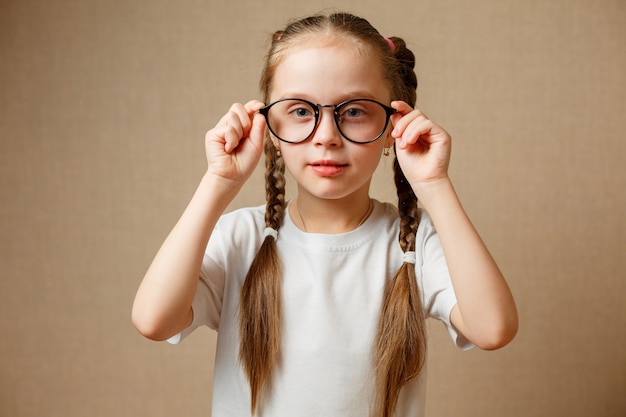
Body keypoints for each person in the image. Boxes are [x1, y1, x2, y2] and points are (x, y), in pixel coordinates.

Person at [132, 11, 518, 417]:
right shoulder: (241, 237)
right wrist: (218, 183)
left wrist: (434, 183)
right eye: (300, 111)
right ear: (268, 126)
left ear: (393, 126)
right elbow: (154, 320)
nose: (327, 137)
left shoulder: (413, 241)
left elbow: (492, 329)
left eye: (354, 111)